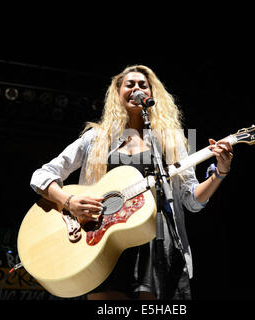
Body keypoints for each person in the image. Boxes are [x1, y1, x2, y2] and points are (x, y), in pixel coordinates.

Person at [30, 65, 233, 300]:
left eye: (142, 85)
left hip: (155, 237)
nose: (136, 88)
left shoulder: (170, 141)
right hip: (104, 240)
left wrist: (220, 172)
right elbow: (42, 175)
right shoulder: (96, 139)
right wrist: (70, 201)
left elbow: (191, 200)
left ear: (152, 94)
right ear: (117, 93)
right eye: (130, 84)